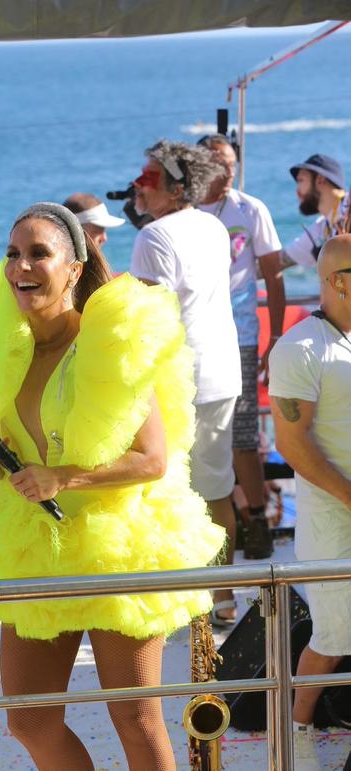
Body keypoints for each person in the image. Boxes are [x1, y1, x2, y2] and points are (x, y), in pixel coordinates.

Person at [0, 201, 225, 771]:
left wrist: (61, 476)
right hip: (37, 547)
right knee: (28, 720)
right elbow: (23, 430)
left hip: (117, 546)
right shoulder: (12, 347)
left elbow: (152, 460)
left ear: (74, 269)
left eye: (38, 253)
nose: (20, 267)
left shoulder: (111, 345)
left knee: (134, 716)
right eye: (12, 254)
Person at [129, 140, 242, 626]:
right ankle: (223, 596)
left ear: (175, 187)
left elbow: (148, 318)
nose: (139, 184)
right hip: (221, 370)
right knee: (217, 488)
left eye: (148, 178)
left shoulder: (152, 239)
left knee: (166, 488)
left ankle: (180, 599)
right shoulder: (214, 226)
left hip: (177, 379)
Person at [269, 234, 351, 770]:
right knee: (334, 634)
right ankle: (298, 730)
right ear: (340, 281)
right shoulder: (299, 348)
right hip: (331, 520)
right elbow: (292, 445)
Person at [198, 134, 285, 563]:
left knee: (244, 435)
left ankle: (256, 521)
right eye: (219, 161)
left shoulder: (250, 209)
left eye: (233, 161)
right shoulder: (188, 213)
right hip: (197, 340)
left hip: (243, 337)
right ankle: (210, 524)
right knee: (198, 437)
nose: (229, 169)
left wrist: (276, 335)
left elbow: (274, 274)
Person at [280, 154, 347, 269]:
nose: (297, 191)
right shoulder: (322, 228)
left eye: (301, 180)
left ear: (320, 180)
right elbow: (278, 261)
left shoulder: (347, 208)